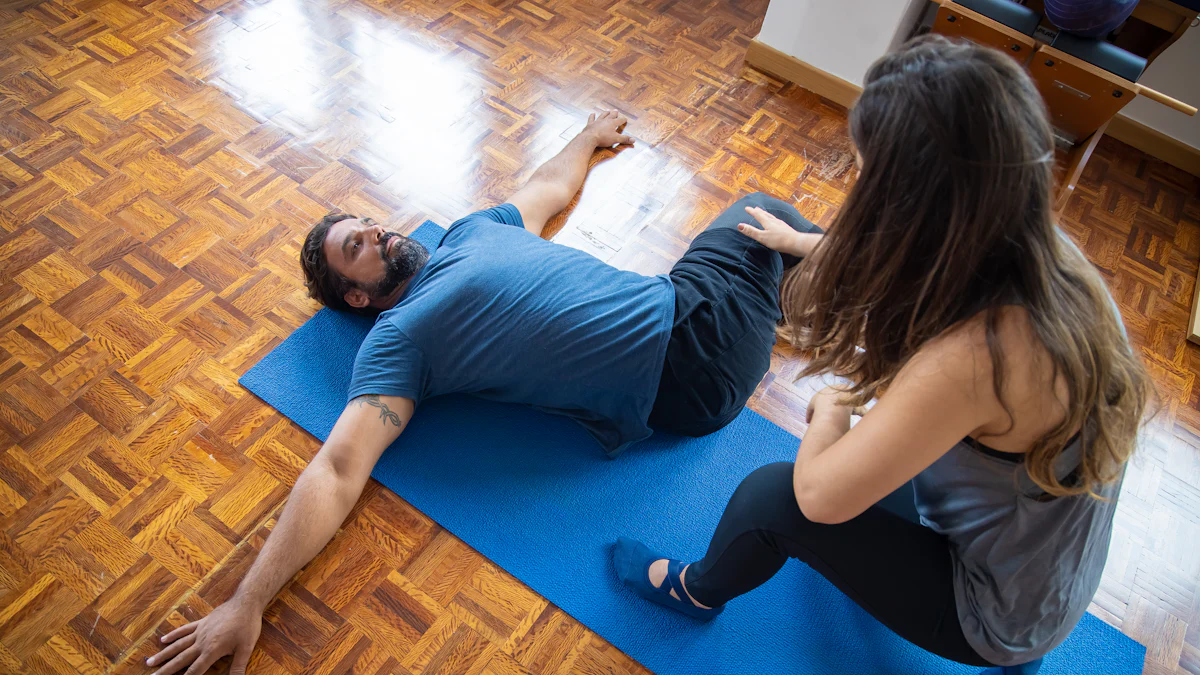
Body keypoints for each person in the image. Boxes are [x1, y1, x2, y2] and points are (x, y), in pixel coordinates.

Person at [144, 109, 825, 674]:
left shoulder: (472, 231)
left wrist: (587, 138)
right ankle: (849, 298)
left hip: (683, 308)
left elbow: (547, 189)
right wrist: (248, 600)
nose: (378, 230)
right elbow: (339, 467)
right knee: (759, 214)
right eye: (358, 245)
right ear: (357, 294)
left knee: (757, 234)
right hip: (686, 364)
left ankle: (797, 304)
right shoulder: (400, 337)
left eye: (366, 222)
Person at [614, 35, 1152, 673]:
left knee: (774, 496)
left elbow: (819, 499)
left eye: (866, 170)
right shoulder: (1055, 265)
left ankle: (694, 592)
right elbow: (907, 258)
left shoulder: (976, 357)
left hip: (990, 612)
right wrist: (799, 241)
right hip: (1044, 568)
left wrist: (835, 409)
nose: (858, 179)